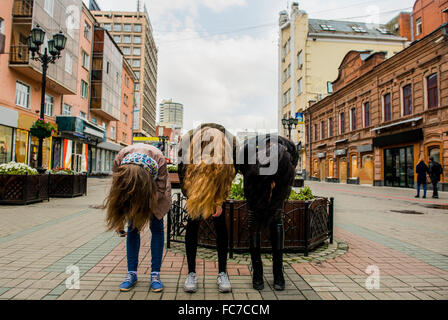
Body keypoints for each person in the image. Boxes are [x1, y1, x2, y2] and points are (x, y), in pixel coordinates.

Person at [178, 123, 237, 293]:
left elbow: (228, 176)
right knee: (192, 225)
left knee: (220, 226)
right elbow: (183, 175)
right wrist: (190, 199)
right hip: (195, 187)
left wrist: (219, 200)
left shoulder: (229, 148)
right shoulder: (187, 146)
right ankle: (191, 273)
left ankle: (222, 272)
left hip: (218, 186)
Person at [104, 144, 171, 292]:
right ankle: (131, 274)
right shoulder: (120, 158)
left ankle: (155, 275)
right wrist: (119, 220)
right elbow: (117, 189)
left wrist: (144, 202)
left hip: (154, 194)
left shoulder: (159, 159)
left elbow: (161, 188)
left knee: (157, 229)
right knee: (133, 228)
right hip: (130, 193)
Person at [237, 134, 298, 291]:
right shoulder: (248, 155)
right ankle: (257, 272)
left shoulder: (288, 154)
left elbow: (293, 165)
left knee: (277, 221)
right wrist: (261, 189)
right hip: (255, 189)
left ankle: (278, 272)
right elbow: (241, 169)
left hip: (279, 185)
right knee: (254, 224)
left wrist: (276, 187)